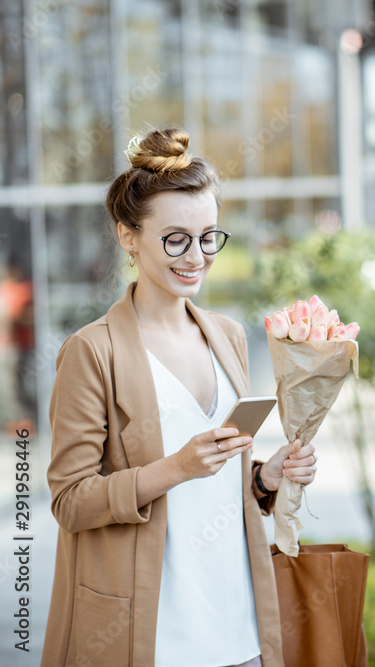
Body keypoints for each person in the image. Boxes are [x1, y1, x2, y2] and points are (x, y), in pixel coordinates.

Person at [42, 128, 318, 667]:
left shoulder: (228, 335)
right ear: (128, 237)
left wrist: (265, 478)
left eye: (209, 236)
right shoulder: (91, 352)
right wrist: (175, 468)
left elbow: (222, 485)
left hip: (240, 630)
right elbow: (69, 502)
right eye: (175, 239)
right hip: (151, 638)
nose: (196, 256)